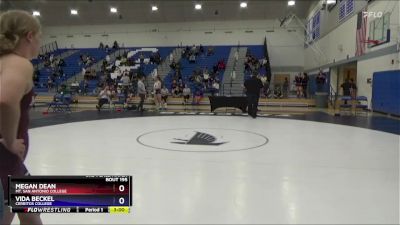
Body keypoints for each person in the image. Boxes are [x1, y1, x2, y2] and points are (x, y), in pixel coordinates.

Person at [0, 10, 43, 225]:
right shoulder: (19, 63)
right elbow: (5, 99)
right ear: (29, 36)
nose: (39, 43)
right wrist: (8, 140)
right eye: (39, 37)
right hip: (4, 160)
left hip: (13, 165)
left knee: (31, 216)